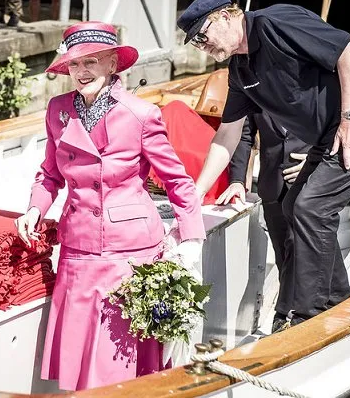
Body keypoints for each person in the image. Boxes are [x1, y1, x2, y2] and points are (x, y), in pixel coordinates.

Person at [177, 0, 350, 330]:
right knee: (291, 206)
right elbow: (227, 135)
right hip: (329, 135)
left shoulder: (275, 23)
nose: (202, 46)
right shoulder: (240, 72)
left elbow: (348, 47)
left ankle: (307, 316)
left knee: (312, 207)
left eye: (203, 34)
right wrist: (194, 194)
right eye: (196, 42)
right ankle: (338, 300)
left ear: (228, 16)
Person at [14, 21, 206, 391]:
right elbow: (49, 174)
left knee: (118, 361)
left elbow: (178, 182)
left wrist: (192, 240)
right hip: (77, 248)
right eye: (74, 65)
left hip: (129, 251)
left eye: (91, 62)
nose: (81, 72)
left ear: (112, 65)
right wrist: (35, 209)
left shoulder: (141, 114)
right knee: (82, 358)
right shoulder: (57, 110)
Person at [216, 113, 312, 332]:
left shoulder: (314, 83)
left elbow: (335, 127)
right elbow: (245, 135)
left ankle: (285, 314)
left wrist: (315, 159)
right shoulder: (257, 88)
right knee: (283, 253)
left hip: (310, 182)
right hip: (273, 186)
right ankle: (290, 310)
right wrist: (238, 180)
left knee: (297, 248)